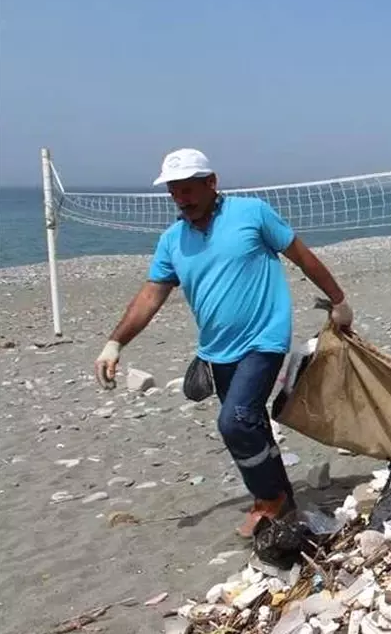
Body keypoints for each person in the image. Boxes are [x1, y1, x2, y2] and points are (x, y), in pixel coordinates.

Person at [93, 148, 354, 538]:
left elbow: (302, 256)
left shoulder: (252, 214)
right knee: (252, 423)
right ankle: (282, 498)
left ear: (211, 183)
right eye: (174, 190)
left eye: (189, 188)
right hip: (218, 349)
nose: (182, 197)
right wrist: (115, 342)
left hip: (264, 338)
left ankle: (268, 500)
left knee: (234, 421)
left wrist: (338, 301)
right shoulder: (172, 241)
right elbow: (151, 295)